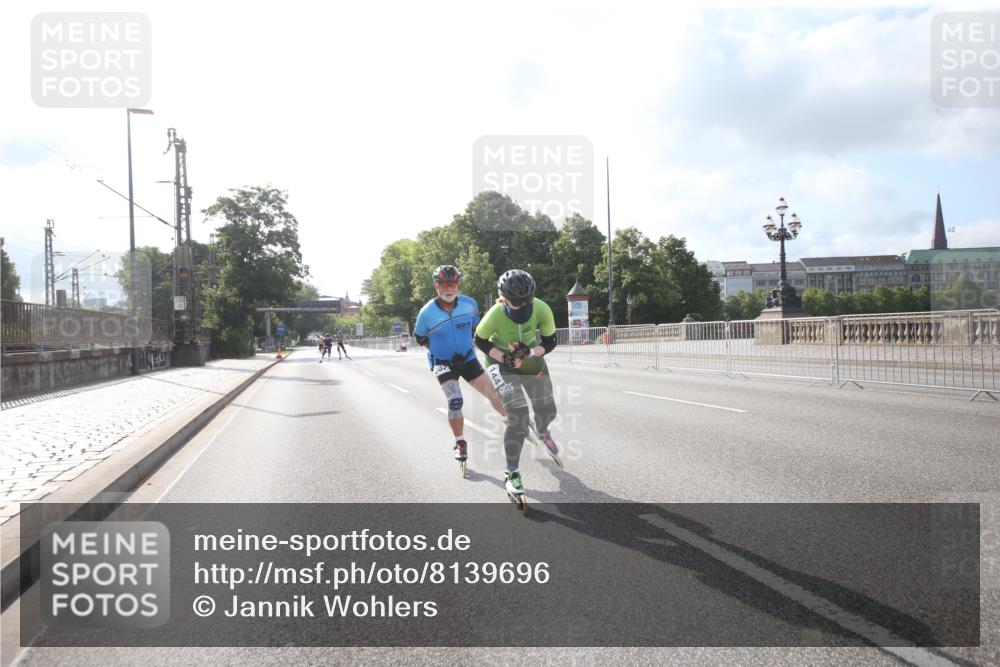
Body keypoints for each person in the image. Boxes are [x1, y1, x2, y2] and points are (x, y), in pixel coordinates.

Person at [474, 269, 559, 498]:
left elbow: (550, 342)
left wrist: (530, 352)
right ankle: (512, 472)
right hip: (500, 361)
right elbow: (479, 340)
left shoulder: (541, 308)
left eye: (526, 302)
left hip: (529, 357)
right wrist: (504, 358)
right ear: (503, 298)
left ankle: (542, 430)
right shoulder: (495, 314)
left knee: (548, 410)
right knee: (518, 415)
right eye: (515, 302)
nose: (521, 307)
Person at [414, 265, 506, 464]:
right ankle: (460, 442)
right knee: (455, 401)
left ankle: (509, 420)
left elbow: (479, 330)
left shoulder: (469, 304)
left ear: (458, 285)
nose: (449, 288)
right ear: (436, 286)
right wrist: (437, 352)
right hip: (442, 363)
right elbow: (420, 337)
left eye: (453, 283)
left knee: (493, 393)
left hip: (467, 358)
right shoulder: (426, 313)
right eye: (444, 284)